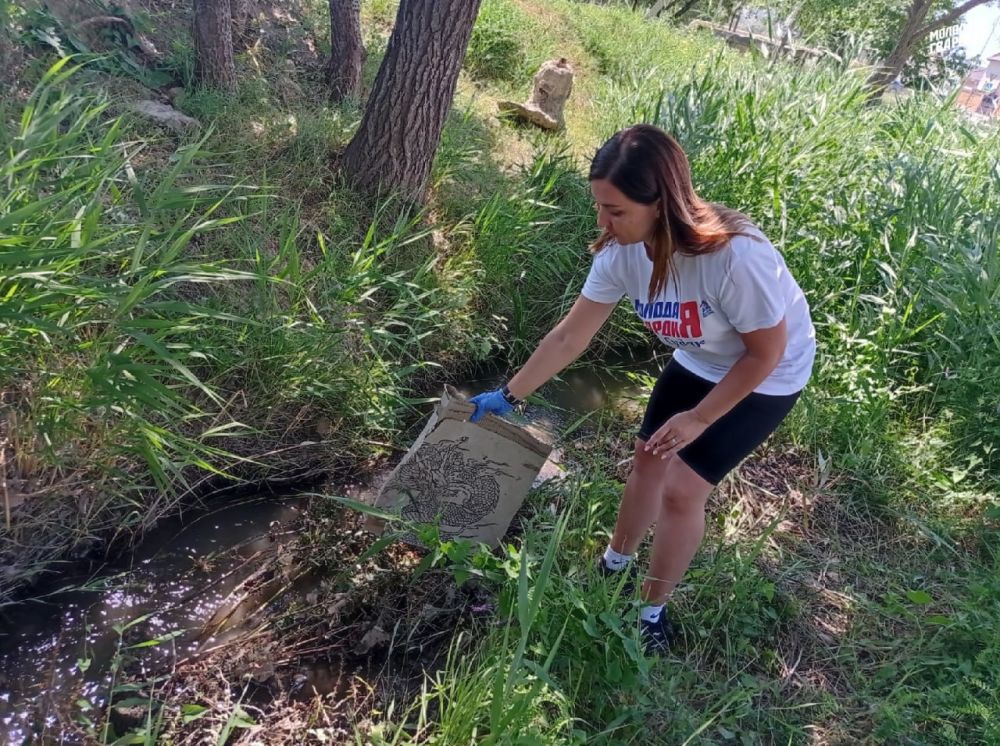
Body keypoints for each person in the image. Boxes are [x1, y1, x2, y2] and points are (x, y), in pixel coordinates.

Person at [468, 124, 816, 655]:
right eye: (599, 206)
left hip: (768, 373)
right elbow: (569, 337)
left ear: (662, 202)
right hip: (700, 360)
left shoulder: (734, 256)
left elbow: (765, 353)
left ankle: (650, 612)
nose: (602, 222)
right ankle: (615, 565)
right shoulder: (620, 255)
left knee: (682, 488)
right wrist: (508, 395)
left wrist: (701, 417)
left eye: (616, 210)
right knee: (647, 461)